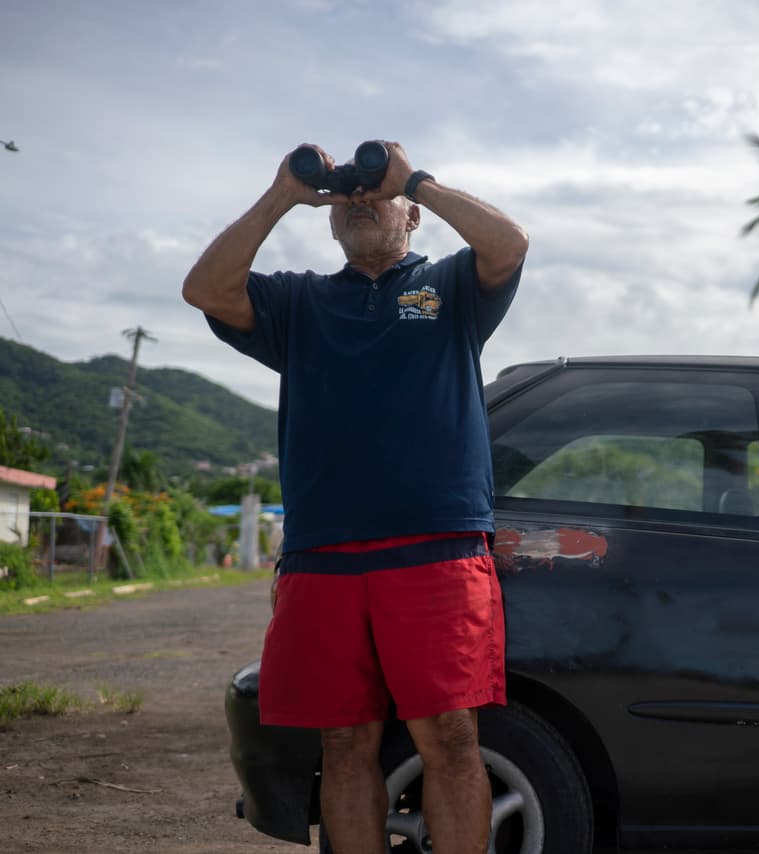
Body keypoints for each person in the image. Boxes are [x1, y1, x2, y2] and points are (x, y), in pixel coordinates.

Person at [183, 140, 528, 854]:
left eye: (377, 192)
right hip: (323, 558)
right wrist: (283, 193)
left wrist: (418, 181)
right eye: (347, 198)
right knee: (342, 744)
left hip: (438, 549)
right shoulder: (299, 301)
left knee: (453, 739)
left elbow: (510, 243)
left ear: (412, 215)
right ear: (330, 219)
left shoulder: (452, 286)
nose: (360, 203)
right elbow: (206, 289)